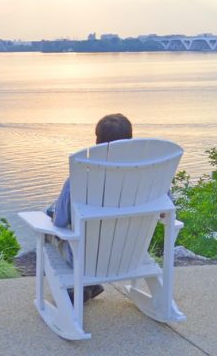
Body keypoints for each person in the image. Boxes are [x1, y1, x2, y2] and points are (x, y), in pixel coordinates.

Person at [47, 113, 133, 303]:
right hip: (130, 255)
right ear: (130, 140)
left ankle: (77, 289)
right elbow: (163, 212)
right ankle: (89, 285)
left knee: (49, 226)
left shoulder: (79, 179)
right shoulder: (149, 177)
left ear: (97, 142)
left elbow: (60, 222)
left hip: (87, 260)